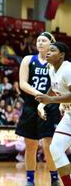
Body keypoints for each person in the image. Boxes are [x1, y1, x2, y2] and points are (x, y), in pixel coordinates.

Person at [15, 32, 60, 186]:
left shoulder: (55, 62)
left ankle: (54, 179)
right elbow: (23, 84)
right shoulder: (28, 60)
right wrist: (40, 95)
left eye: (44, 40)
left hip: (50, 107)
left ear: (51, 43)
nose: (40, 43)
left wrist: (46, 99)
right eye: (38, 40)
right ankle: (30, 180)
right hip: (30, 107)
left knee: (49, 145)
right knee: (31, 146)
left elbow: (57, 86)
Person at [36, 42, 71, 186]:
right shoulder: (52, 69)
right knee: (55, 148)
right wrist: (43, 103)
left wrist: (51, 100)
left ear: (61, 55)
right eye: (47, 51)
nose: (48, 53)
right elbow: (54, 87)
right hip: (69, 114)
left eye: (52, 50)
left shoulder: (68, 69)